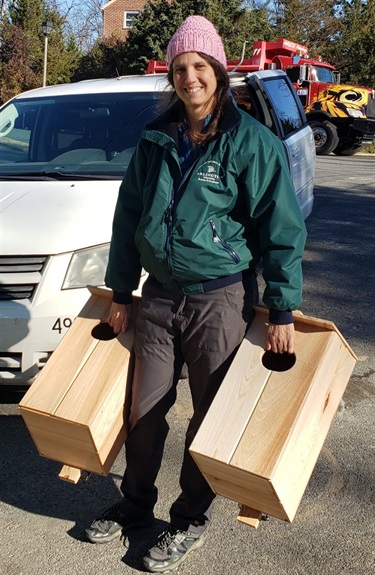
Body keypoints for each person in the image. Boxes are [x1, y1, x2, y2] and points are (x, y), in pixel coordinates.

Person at [85, 15, 307, 573]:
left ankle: (188, 519)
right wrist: (119, 288)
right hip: (158, 297)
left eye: (201, 66)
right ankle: (135, 505)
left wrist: (281, 306)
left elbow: (281, 228)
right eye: (181, 68)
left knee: (208, 417)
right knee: (144, 411)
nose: (191, 77)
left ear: (219, 71)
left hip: (220, 299)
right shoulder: (156, 138)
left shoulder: (251, 143)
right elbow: (129, 215)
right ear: (173, 76)